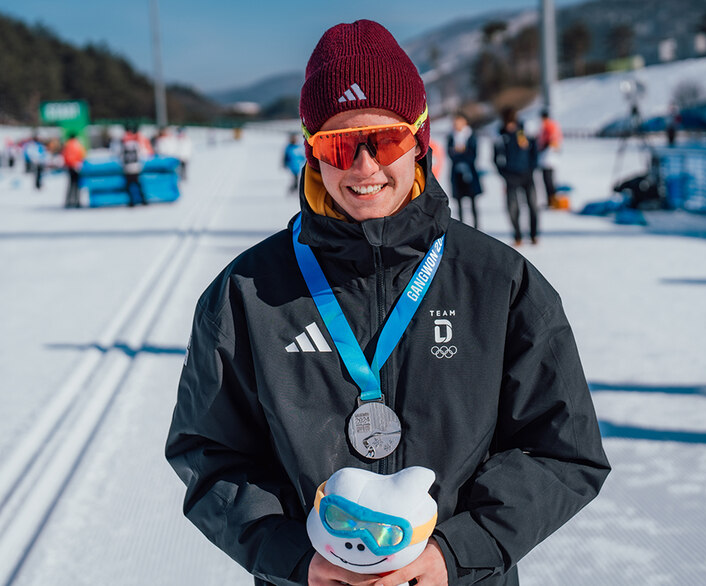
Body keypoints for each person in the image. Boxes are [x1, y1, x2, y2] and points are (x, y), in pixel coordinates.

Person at [165, 20, 609, 586]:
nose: (364, 166)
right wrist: (295, 558)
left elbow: (564, 451)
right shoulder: (246, 293)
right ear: (312, 155)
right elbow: (207, 453)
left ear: (421, 142)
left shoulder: (499, 282)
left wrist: (456, 553)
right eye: (339, 145)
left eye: (386, 140)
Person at [493, 108, 538, 246]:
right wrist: (504, 174)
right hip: (510, 176)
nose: (510, 126)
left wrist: (532, 168)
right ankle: (517, 235)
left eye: (512, 123)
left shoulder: (524, 133)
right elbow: (495, 158)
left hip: (527, 174)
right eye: (508, 124)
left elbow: (534, 151)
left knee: (533, 205)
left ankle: (534, 235)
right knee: (512, 208)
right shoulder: (501, 137)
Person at [446, 113, 482, 228]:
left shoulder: (471, 136)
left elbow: (473, 155)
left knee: (473, 202)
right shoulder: (451, 136)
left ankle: (476, 227)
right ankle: (462, 227)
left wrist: (459, 152)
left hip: (470, 173)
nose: (456, 124)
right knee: (459, 203)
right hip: (456, 174)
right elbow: (450, 154)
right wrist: (460, 152)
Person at [120, 124, 152, 207]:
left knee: (129, 185)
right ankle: (143, 200)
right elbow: (143, 154)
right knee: (138, 184)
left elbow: (120, 157)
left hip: (127, 168)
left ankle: (132, 201)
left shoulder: (123, 145)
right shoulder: (136, 144)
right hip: (136, 167)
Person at [536, 109, 562, 207]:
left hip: (548, 157)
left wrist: (544, 148)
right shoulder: (545, 126)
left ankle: (552, 201)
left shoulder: (550, 126)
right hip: (546, 157)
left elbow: (553, 141)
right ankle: (550, 200)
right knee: (547, 180)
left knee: (548, 180)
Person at [62, 132, 86, 208]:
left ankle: (68, 201)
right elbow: (82, 154)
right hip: (77, 166)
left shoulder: (67, 145)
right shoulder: (78, 144)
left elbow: (65, 156)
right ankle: (77, 201)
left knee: (70, 185)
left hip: (70, 167)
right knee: (77, 185)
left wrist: (68, 163)